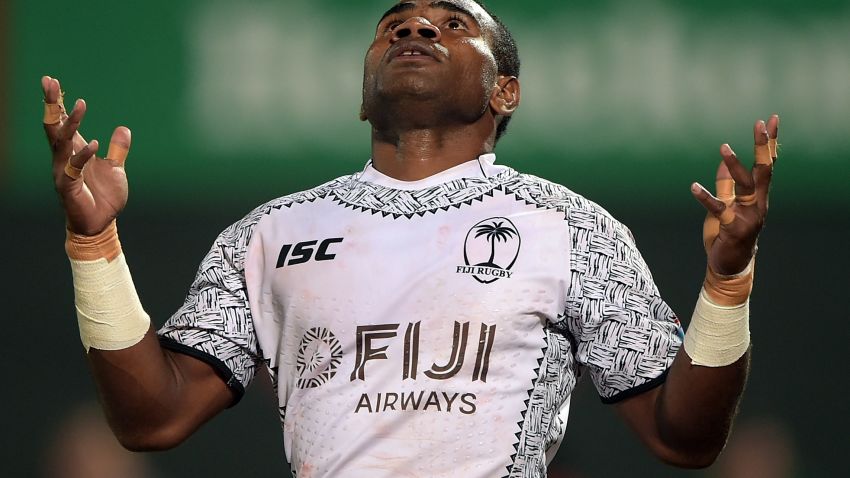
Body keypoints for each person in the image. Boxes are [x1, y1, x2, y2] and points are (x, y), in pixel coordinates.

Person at [41, 1, 780, 476]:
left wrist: (728, 280)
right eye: (394, 25)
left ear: (505, 91)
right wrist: (95, 242)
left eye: (453, 25)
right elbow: (151, 417)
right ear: (364, 91)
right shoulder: (269, 234)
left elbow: (686, 438)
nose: (416, 29)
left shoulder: (574, 230)